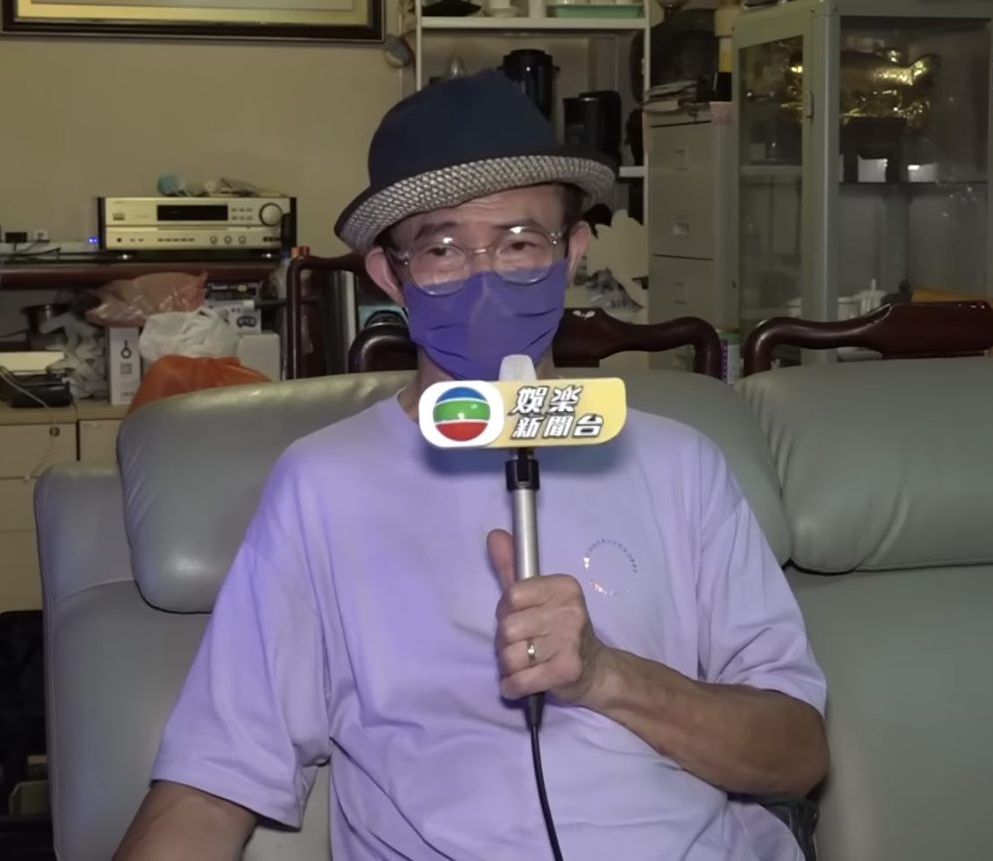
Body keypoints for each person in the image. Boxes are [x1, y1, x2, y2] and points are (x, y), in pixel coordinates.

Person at [115, 71, 828, 861]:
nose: (485, 275)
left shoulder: (679, 464)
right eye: (442, 249)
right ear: (389, 275)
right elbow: (209, 784)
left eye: (520, 242)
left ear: (572, 254)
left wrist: (607, 676)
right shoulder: (323, 485)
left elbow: (796, 752)